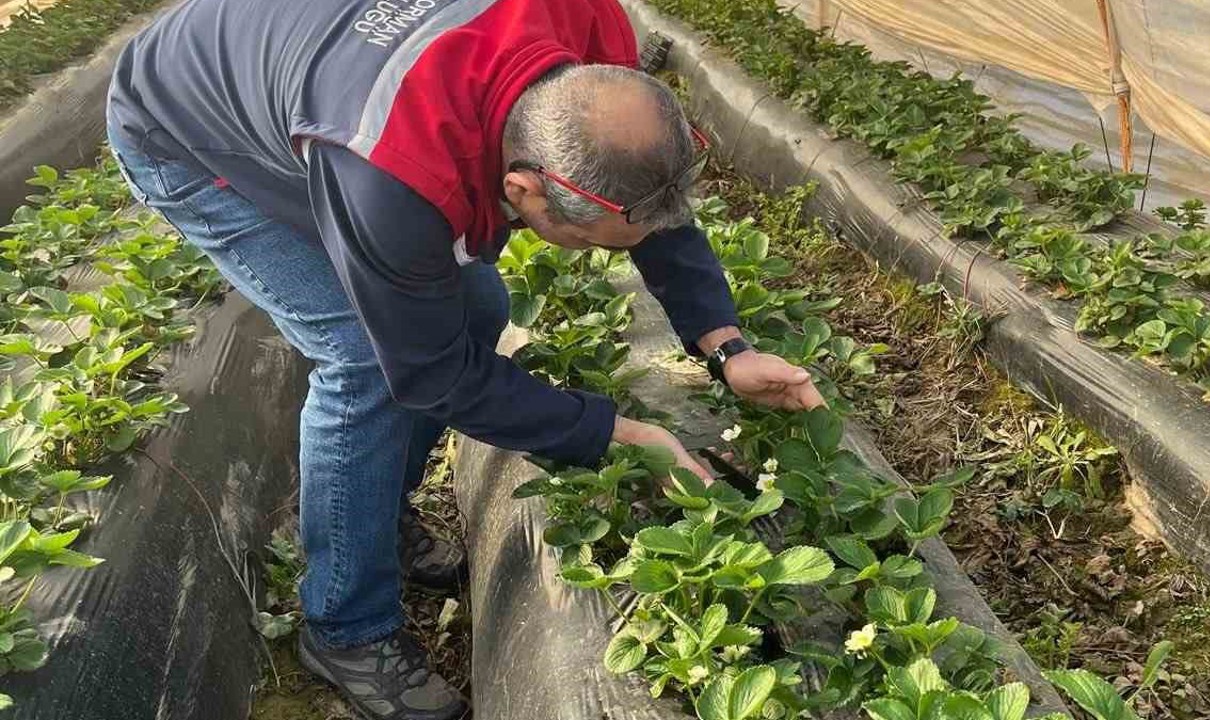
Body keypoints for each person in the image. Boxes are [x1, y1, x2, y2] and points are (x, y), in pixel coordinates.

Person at [106, 0, 823, 717]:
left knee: (479, 307)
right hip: (188, 132)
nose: (609, 252)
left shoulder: (590, 31)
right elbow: (428, 370)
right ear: (522, 189)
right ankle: (345, 625)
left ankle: (374, 514)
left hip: (312, 76)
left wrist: (726, 346)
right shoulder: (389, 172)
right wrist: (618, 434)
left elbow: (642, 197)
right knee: (362, 359)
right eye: (596, 244)